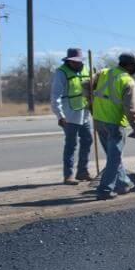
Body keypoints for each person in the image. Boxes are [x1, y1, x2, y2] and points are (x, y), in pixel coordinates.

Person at [91, 52, 135, 200]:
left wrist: (91, 105)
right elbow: (131, 110)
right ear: (128, 65)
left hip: (99, 120)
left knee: (113, 156)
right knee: (114, 159)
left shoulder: (104, 72)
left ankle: (122, 183)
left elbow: (85, 85)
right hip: (115, 123)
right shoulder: (127, 81)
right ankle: (105, 189)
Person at [50, 47, 94, 185]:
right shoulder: (61, 72)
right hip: (69, 114)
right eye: (74, 61)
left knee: (87, 140)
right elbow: (55, 95)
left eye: (79, 61)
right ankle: (68, 175)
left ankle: (82, 171)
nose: (77, 63)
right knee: (71, 144)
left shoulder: (87, 70)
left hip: (84, 113)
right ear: (68, 61)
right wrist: (59, 115)